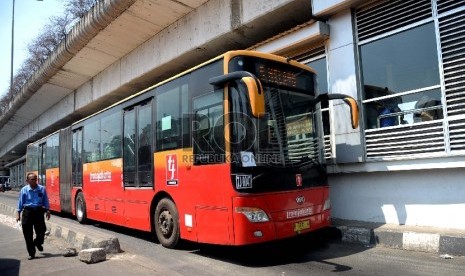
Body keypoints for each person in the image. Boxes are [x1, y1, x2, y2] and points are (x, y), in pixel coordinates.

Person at [16, 173, 51, 260]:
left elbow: (45, 200)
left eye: (36, 179)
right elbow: (20, 202)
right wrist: (18, 214)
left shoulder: (42, 189)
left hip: (38, 211)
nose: (35, 180)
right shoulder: (24, 190)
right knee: (28, 234)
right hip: (27, 212)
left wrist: (47, 210)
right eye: (32, 179)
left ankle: (38, 242)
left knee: (42, 230)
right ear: (27, 181)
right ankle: (32, 253)